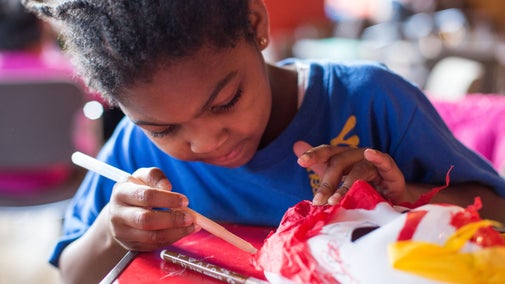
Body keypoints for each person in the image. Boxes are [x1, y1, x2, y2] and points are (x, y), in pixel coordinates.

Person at [23, 1, 505, 283]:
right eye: (164, 128)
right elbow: (73, 274)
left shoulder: (370, 101)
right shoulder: (135, 149)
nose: (206, 142)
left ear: (256, 24)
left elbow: (497, 215)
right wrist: (115, 229)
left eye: (226, 100)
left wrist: (403, 198)